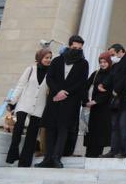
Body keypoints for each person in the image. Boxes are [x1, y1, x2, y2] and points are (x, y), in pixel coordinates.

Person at [37, 36, 89, 168]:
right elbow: (50, 78)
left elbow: (81, 82)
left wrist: (65, 92)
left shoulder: (83, 64)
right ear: (69, 46)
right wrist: (58, 91)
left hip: (71, 101)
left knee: (63, 129)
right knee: (51, 128)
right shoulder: (57, 61)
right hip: (54, 99)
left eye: (79, 48)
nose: (77, 50)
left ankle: (56, 158)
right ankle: (47, 158)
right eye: (74, 47)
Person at [6, 48, 50, 167]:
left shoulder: (51, 72)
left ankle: (24, 162)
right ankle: (13, 154)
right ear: (40, 58)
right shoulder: (30, 69)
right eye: (46, 58)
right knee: (18, 128)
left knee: (32, 135)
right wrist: (12, 101)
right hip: (24, 103)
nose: (48, 60)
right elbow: (20, 85)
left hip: (39, 107)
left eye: (50, 58)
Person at [84, 52, 116, 157]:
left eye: (105, 62)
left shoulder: (112, 74)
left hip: (104, 108)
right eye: (101, 62)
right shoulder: (96, 73)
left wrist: (96, 101)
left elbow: (109, 91)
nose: (102, 64)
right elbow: (86, 86)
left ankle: (97, 154)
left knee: (100, 132)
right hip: (92, 108)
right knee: (90, 131)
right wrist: (85, 101)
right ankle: (89, 154)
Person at [104, 43, 126, 158]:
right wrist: (103, 84)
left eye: (112, 54)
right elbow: (111, 77)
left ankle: (124, 150)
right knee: (115, 126)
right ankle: (113, 150)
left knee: (123, 126)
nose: (111, 57)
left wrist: (117, 89)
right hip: (116, 101)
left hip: (125, 100)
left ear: (120, 51)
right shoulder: (115, 64)